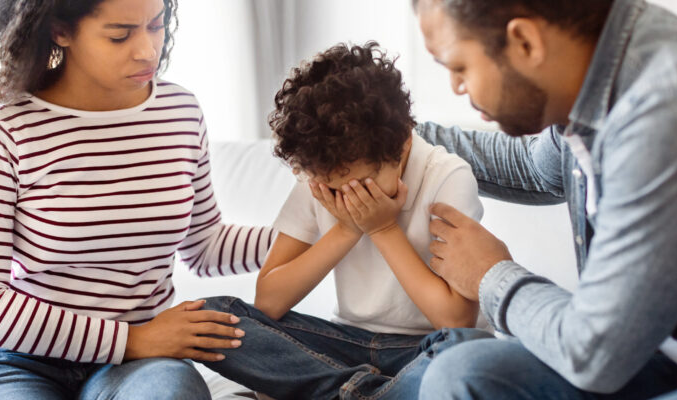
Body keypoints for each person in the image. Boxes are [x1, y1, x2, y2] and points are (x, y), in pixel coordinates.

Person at [407, 0, 677, 398]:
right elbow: (534, 168)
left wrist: (489, 273)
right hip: (668, 355)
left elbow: (592, 352)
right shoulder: (596, 72)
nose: (456, 86)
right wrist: (405, 138)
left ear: (524, 41)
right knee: (463, 373)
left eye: (459, 67)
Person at [0, 0, 274, 398]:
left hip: (144, 363)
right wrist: (133, 339)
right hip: (20, 356)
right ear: (59, 31)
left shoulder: (179, 111)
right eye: (120, 34)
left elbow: (203, 247)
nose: (148, 50)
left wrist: (317, 229)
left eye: (157, 25)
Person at [199, 41, 488, 399]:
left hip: (423, 347)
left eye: (360, 185)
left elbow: (455, 319)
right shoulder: (320, 178)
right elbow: (269, 300)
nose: (347, 198)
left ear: (401, 142)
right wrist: (346, 230)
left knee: (469, 350)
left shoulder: (446, 177)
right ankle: (373, 392)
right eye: (335, 189)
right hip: (344, 345)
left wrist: (382, 229)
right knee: (217, 316)